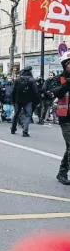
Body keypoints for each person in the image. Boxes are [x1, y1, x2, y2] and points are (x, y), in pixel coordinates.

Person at [53, 53, 70, 185]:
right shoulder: (60, 78)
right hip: (66, 118)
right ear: (65, 65)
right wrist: (67, 84)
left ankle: (62, 172)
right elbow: (56, 92)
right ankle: (63, 172)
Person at [11, 66, 39, 137]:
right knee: (28, 115)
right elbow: (35, 92)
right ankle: (25, 131)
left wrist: (13, 100)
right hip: (28, 100)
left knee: (16, 114)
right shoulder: (31, 80)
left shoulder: (18, 79)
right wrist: (37, 101)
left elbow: (13, 91)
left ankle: (13, 128)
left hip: (18, 99)